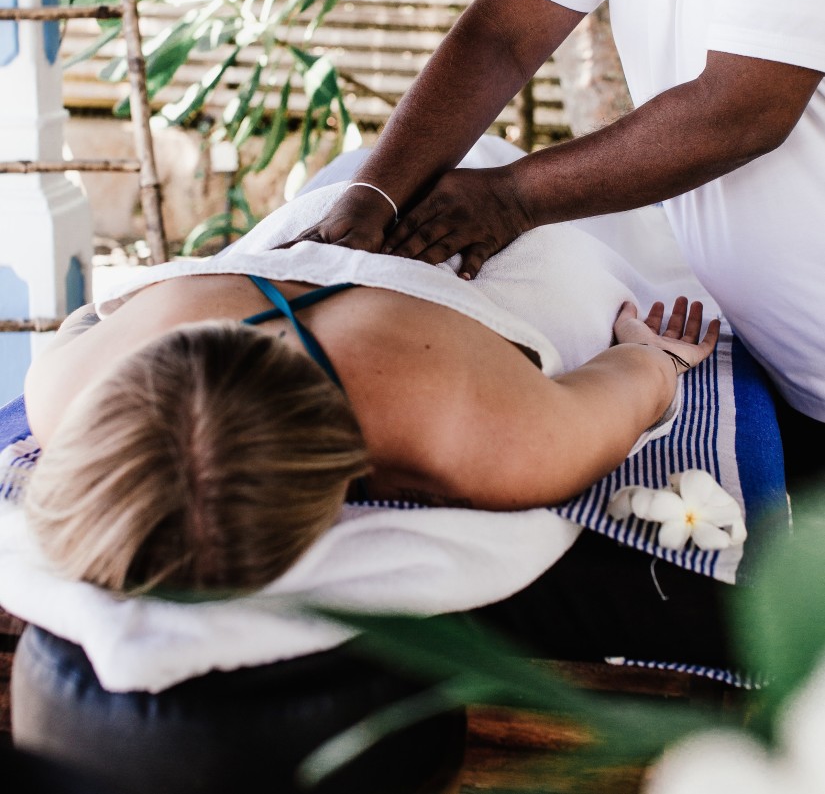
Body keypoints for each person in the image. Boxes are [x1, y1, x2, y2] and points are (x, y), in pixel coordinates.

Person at [21, 175, 719, 602]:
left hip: (510, 254)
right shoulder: (65, 393)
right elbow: (90, 318)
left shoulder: (488, 434)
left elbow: (638, 379)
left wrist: (653, 353)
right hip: (334, 206)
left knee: (641, 244)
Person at [291, 0, 825, 494]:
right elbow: (503, 31)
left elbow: (745, 107)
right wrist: (372, 195)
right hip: (788, 363)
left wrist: (511, 199)